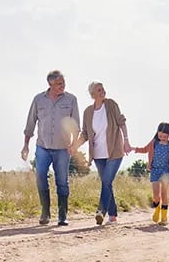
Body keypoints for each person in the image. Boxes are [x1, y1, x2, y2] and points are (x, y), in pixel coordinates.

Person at [69, 81, 132, 225]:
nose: (102, 91)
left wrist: (126, 141)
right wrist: (75, 146)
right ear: (92, 94)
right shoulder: (88, 112)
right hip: (98, 154)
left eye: (103, 88)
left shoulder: (111, 105)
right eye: (99, 90)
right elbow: (85, 134)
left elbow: (121, 122)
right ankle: (113, 215)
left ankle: (100, 211)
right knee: (107, 183)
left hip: (115, 151)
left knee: (106, 181)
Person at [22, 70, 80, 226]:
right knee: (40, 176)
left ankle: (62, 215)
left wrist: (74, 144)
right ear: (50, 84)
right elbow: (30, 123)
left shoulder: (71, 100)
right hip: (43, 147)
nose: (63, 86)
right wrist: (26, 145)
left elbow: (75, 125)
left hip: (63, 148)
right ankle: (45, 212)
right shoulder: (38, 100)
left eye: (63, 83)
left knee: (62, 181)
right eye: (59, 83)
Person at [133, 122, 169, 225]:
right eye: (160, 135)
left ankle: (164, 217)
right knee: (156, 196)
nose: (162, 138)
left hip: (166, 172)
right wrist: (135, 149)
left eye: (165, 136)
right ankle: (157, 209)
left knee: (164, 194)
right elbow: (145, 149)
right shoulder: (154, 142)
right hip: (155, 170)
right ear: (157, 133)